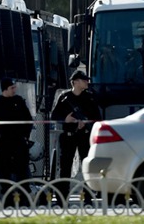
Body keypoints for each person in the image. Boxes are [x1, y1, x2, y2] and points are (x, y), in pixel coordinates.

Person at [50, 70, 101, 202]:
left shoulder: (89, 97)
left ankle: (88, 196)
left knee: (87, 166)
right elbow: (54, 116)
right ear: (75, 82)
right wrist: (65, 119)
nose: (87, 82)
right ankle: (62, 198)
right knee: (65, 167)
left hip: (84, 136)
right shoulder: (64, 97)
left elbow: (97, 117)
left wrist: (85, 122)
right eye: (84, 80)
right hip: (68, 136)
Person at [0, 77, 33, 183]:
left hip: (19, 141)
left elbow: (28, 120)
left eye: (14, 87)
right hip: (3, 142)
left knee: (21, 170)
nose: (14, 90)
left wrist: (26, 136)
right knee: (3, 171)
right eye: (12, 88)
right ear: (5, 89)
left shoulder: (19, 101)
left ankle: (23, 195)